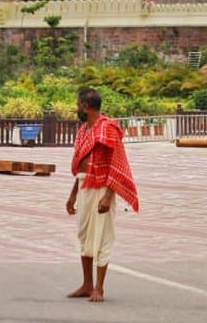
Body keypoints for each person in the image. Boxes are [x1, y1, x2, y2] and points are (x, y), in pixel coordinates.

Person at [66, 87, 139, 303]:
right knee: (84, 235)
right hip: (84, 185)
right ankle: (87, 284)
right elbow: (80, 167)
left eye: (78, 104)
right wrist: (72, 195)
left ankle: (99, 287)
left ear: (86, 106)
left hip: (101, 187)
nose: (77, 108)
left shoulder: (108, 128)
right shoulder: (83, 131)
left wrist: (108, 195)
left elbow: (117, 164)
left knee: (102, 235)